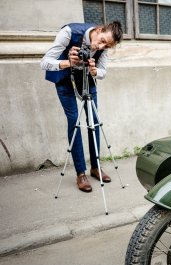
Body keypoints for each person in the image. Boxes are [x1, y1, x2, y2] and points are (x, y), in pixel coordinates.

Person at [40, 21, 123, 192]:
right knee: (74, 121)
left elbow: (102, 72)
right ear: (99, 30)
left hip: (87, 80)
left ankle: (95, 166)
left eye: (106, 46)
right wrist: (68, 62)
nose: (101, 46)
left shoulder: (103, 47)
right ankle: (81, 173)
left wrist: (94, 71)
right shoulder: (70, 32)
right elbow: (44, 62)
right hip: (64, 79)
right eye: (101, 41)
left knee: (94, 120)